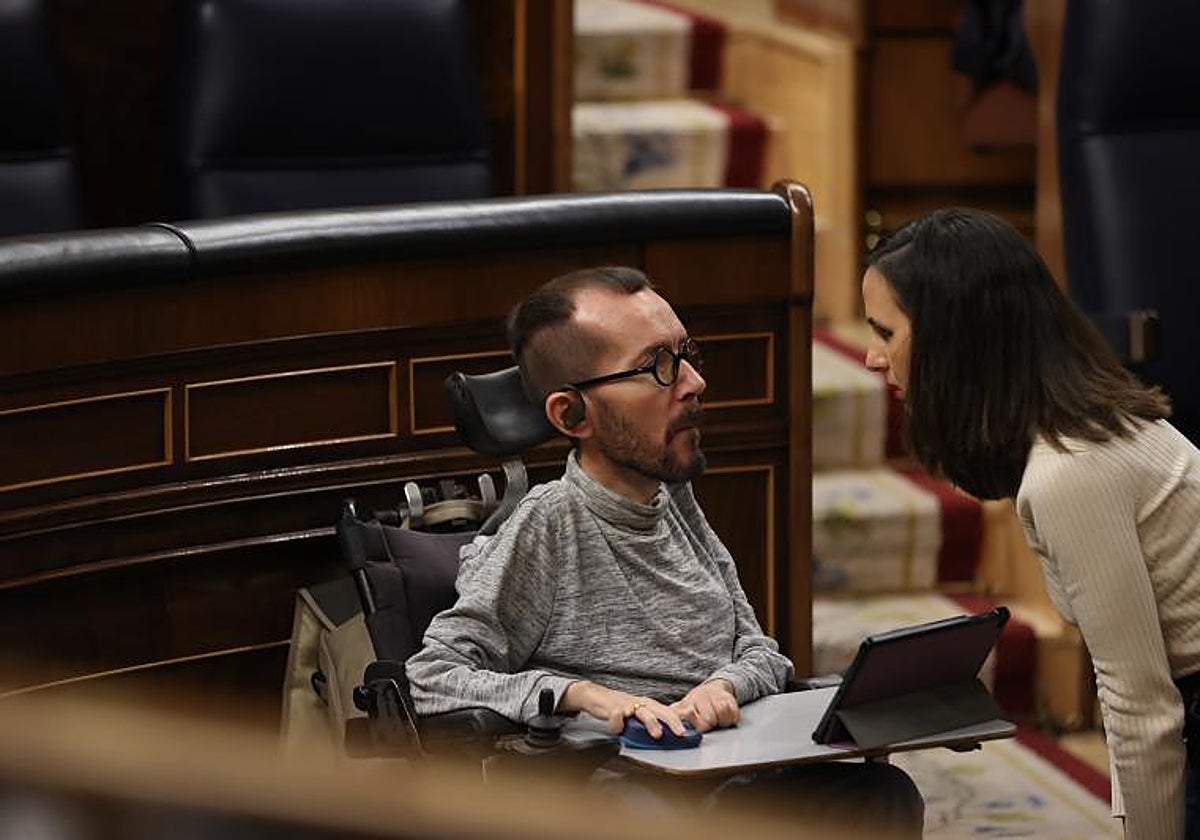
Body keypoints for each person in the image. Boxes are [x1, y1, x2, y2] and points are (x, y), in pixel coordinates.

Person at [407, 266, 923, 835]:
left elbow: (760, 652)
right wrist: (587, 698)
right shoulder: (547, 526)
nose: (694, 381)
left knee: (883, 796)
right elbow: (434, 675)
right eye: (659, 366)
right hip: (624, 791)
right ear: (570, 414)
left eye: (686, 354)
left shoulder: (675, 500)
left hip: (727, 770)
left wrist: (722, 688)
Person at [861, 207, 1200, 840]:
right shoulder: (1079, 425)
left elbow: (1142, 709)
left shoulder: (1070, 471)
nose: (872, 358)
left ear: (952, 339)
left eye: (885, 331)